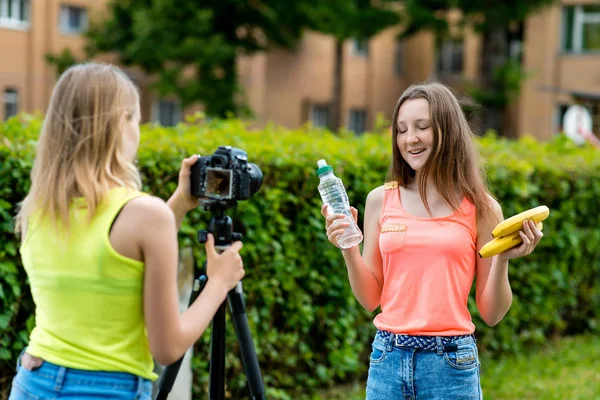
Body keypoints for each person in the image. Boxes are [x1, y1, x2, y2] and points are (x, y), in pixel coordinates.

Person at [9, 62, 245, 400]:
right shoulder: (145, 215)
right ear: (119, 123)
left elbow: (115, 256)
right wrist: (219, 283)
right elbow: (168, 348)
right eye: (136, 118)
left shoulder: (38, 209)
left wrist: (178, 204)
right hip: (105, 390)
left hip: (32, 381)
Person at [322, 82, 544, 400]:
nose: (409, 138)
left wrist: (503, 260)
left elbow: (492, 313)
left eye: (421, 127)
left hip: (451, 365)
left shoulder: (481, 207)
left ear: (447, 131)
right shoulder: (379, 201)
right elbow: (371, 298)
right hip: (387, 360)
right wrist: (347, 247)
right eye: (401, 130)